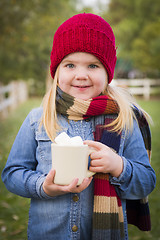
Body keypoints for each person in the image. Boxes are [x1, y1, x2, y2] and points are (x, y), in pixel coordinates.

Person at [2, 13, 156, 240]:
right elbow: (12, 174)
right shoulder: (38, 119)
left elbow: (146, 182)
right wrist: (42, 186)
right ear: (57, 71)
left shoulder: (123, 121)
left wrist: (118, 166)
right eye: (70, 64)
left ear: (108, 73)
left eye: (93, 65)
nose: (81, 75)